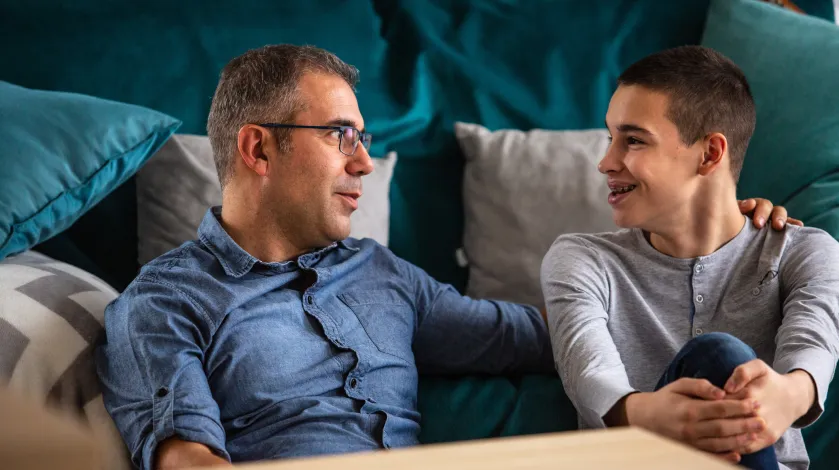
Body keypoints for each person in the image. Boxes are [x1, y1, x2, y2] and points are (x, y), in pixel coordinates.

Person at [96, 44, 794, 470]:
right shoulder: (164, 303)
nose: (364, 162)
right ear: (257, 149)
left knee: (718, 362)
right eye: (340, 135)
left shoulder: (378, 274)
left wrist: (728, 244)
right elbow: (188, 462)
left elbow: (556, 336)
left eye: (363, 138)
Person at [541, 45, 839, 470]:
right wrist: (648, 415)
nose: (606, 162)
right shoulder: (582, 261)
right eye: (612, 138)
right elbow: (589, 372)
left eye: (634, 140)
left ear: (710, 154)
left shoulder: (804, 251)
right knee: (718, 357)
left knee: (720, 359)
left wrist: (785, 397)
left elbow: (814, 347)